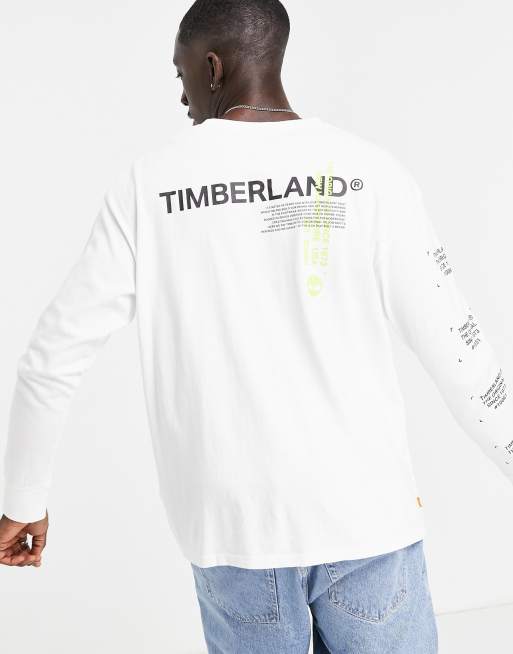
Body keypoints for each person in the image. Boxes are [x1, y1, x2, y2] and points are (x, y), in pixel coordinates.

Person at [2, 0, 512, 651]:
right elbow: (459, 353)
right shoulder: (369, 172)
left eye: (182, 73)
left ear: (212, 67)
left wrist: (24, 501)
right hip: (366, 520)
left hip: (233, 538)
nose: (182, 95)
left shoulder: (148, 187)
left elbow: (50, 359)